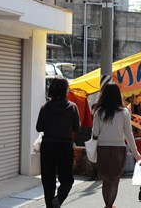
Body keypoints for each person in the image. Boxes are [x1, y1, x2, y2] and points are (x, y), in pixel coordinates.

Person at [92, 83, 141, 208]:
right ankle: (109, 206)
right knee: (114, 180)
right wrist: (136, 153)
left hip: (102, 149)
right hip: (118, 149)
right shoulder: (124, 112)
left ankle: (107, 205)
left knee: (106, 180)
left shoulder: (98, 112)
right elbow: (129, 134)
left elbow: (95, 133)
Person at [36, 78, 80, 208]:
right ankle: (59, 199)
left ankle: (50, 205)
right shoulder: (72, 107)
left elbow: (39, 128)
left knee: (48, 180)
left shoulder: (45, 107)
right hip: (65, 146)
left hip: (48, 146)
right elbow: (76, 127)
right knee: (67, 179)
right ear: (65, 91)